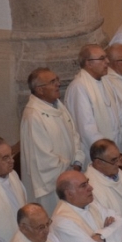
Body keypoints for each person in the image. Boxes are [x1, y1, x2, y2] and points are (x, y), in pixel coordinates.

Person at [20, 67, 85, 214]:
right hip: (52, 184)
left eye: (57, 80)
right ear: (40, 90)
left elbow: (73, 134)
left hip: (70, 172)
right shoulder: (33, 116)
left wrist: (77, 162)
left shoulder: (58, 105)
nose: (58, 84)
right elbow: (43, 158)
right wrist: (69, 170)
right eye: (52, 82)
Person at [64, 44, 122, 159]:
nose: (107, 62)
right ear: (88, 63)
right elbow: (87, 129)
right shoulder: (79, 87)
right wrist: (110, 154)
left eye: (106, 57)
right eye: (102, 58)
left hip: (115, 152)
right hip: (98, 156)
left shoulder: (106, 81)